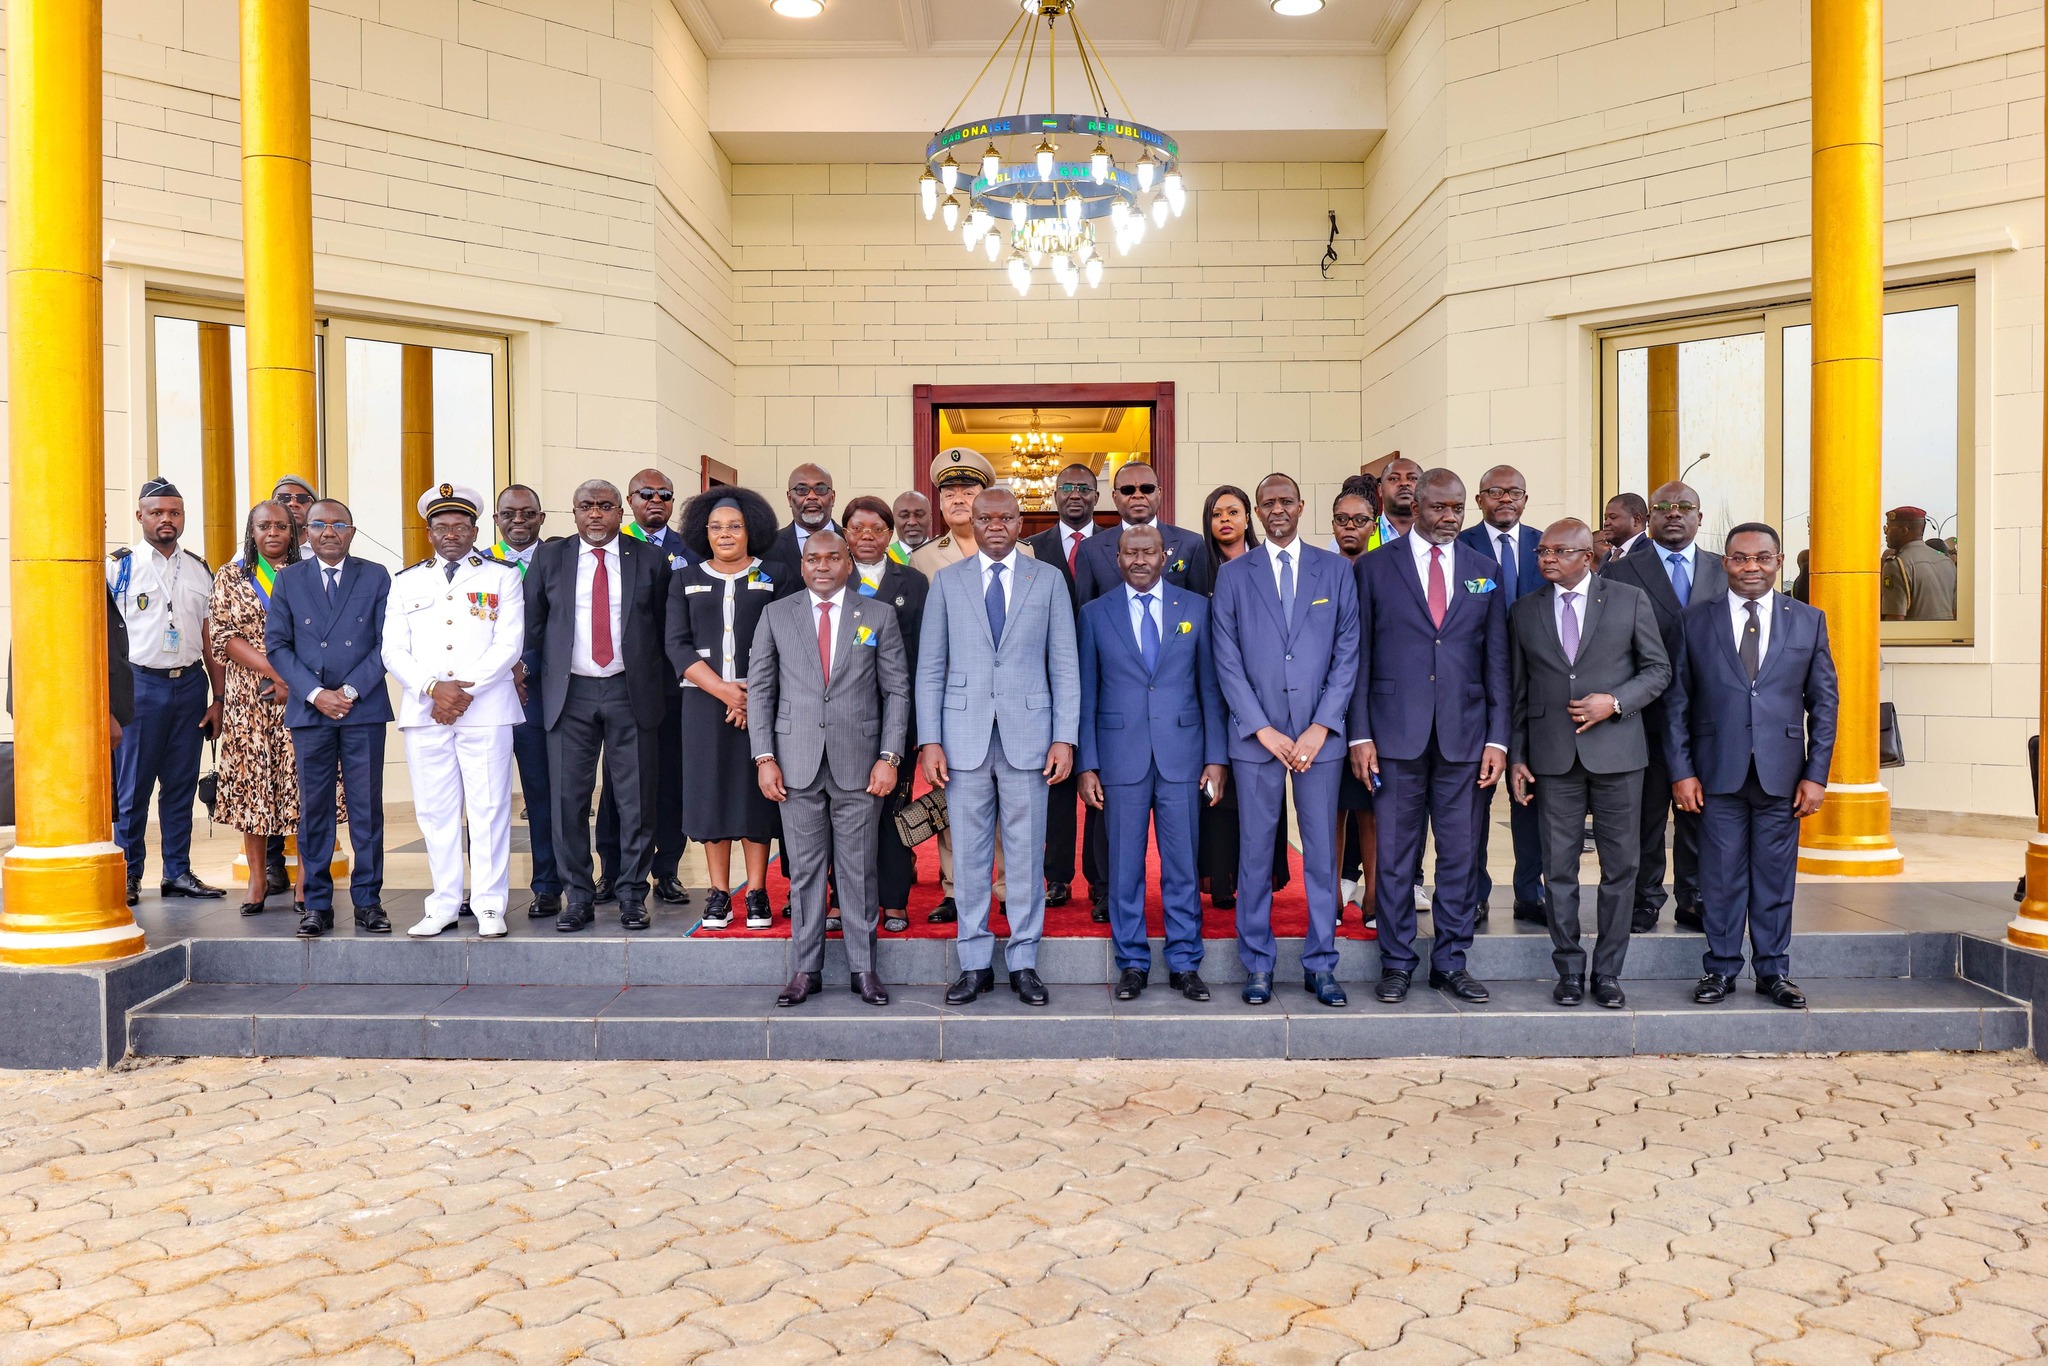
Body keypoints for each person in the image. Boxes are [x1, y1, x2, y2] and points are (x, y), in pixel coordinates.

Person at [1350, 469, 1508, 1005]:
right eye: (1440, 507)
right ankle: (1396, 962)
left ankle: (1451, 962)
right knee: (1395, 856)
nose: (1450, 517)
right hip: (1393, 740)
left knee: (1461, 857)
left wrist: (1498, 740)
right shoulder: (1373, 568)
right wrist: (1360, 735)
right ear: (1415, 505)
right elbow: (1359, 657)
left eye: (1458, 508)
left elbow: (1497, 661)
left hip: (1466, 741)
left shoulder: (1484, 572)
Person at [1664, 522, 1838, 1010]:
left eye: (1762, 558)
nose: (1751, 568)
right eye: (1740, 559)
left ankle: (1773, 971)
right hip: (1715, 773)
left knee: (1775, 877)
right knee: (1719, 876)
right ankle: (1719, 970)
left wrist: (1816, 775)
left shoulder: (1808, 620)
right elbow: (1677, 703)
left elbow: (1824, 706)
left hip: (1784, 776)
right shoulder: (1695, 620)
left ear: (1778, 563)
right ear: (1726, 563)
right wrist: (1681, 771)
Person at [917, 487, 1077, 1009]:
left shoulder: (1048, 580)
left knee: (1027, 853)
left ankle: (1024, 959)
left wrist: (1064, 736)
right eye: (984, 517)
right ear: (973, 522)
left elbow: (1065, 666)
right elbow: (931, 668)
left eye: (1005, 518)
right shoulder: (946, 582)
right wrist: (930, 740)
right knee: (968, 854)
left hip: (1029, 737)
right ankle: (974, 962)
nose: (994, 525)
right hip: (962, 740)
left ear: (1018, 522)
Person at [1507, 519, 1670, 1009]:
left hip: (1619, 755)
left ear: (1587, 556)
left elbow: (1658, 670)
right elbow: (1518, 691)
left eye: (1559, 551)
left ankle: (1608, 972)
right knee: (1558, 870)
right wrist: (1517, 756)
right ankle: (1570, 970)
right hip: (1553, 759)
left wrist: (1615, 703)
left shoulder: (1627, 600)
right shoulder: (1524, 611)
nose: (1546, 560)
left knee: (1621, 868)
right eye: (1541, 551)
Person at [1213, 473, 1359, 1009]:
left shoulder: (1337, 570)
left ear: (1300, 506)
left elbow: (1348, 654)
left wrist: (1322, 725)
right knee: (1254, 855)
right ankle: (1258, 964)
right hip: (1257, 740)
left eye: (1285, 502)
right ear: (1257, 511)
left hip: (1321, 740)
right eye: (1267, 504)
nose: (1277, 510)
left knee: (1321, 856)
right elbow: (1225, 660)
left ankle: (1321, 964)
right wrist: (1263, 729)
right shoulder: (1233, 576)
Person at [750, 529, 910, 1008]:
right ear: (802, 566)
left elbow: (896, 691)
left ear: (848, 564)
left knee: (859, 871)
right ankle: (806, 969)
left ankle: (864, 969)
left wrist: (889, 757)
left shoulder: (878, 614)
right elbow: (761, 691)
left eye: (832, 557)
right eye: (813, 559)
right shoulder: (776, 614)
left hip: (860, 765)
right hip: (793, 764)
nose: (822, 566)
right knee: (802, 872)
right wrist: (764, 758)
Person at [1077, 525, 1228, 1002]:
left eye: (1148, 552)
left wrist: (1216, 758)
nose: (1140, 560)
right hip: (1120, 757)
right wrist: (1088, 764)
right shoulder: (1094, 614)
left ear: (1165, 557)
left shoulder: (1196, 609)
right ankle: (1132, 963)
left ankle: (1185, 963)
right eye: (1130, 553)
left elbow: (1210, 689)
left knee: (1182, 865)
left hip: (1183, 756)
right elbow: (1087, 693)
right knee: (1124, 868)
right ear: (1117, 560)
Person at [525, 478, 671, 933]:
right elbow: (533, 625)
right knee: (568, 801)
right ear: (573, 512)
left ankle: (631, 893)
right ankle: (578, 897)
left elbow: (666, 629)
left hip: (632, 691)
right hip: (570, 694)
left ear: (620, 512)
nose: (595, 514)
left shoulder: (648, 558)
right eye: (586, 505)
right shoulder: (551, 557)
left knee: (636, 799)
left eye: (605, 506)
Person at [385, 485, 526, 939]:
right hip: (426, 710)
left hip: (484, 709)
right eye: (441, 527)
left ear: (475, 530)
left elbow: (508, 644)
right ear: (429, 533)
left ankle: (489, 905)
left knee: (488, 809)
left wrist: (462, 692)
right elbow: (393, 649)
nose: (451, 534)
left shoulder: (502, 577)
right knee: (435, 812)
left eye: (460, 527)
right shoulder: (406, 581)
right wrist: (433, 689)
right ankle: (443, 903)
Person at [909, 448, 1033, 922]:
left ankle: (1002, 889)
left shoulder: (1028, 556)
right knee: (951, 802)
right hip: (953, 703)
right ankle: (957, 889)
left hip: (1012, 705)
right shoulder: (923, 560)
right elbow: (925, 648)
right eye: (950, 491)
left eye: (969, 488)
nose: (959, 498)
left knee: (1009, 808)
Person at [1600, 479, 1727, 933]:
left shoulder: (1723, 569)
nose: (1674, 514)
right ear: (1648, 518)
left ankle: (1694, 896)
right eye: (1664, 507)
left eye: (1685, 506)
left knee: (1700, 812)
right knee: (1646, 815)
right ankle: (1645, 898)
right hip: (1644, 716)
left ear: (1700, 516)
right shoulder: (1618, 571)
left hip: (1709, 718)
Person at [667, 487, 796, 930]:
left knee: (756, 797)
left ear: (751, 530)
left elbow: (787, 638)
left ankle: (757, 891)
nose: (725, 533)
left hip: (764, 700)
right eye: (717, 526)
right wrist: (725, 692)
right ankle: (719, 894)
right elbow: (676, 643)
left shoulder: (777, 574)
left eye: (735, 526)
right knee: (711, 795)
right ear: (704, 532)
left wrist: (749, 695)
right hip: (703, 704)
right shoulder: (684, 577)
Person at [265, 499, 393, 939]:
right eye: (319, 524)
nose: (329, 531)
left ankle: (368, 902)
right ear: (307, 533)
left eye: (339, 524)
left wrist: (350, 692)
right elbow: (277, 646)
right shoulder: (290, 580)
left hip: (363, 709)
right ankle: (316, 903)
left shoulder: (375, 576)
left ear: (352, 532)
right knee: (314, 810)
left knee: (365, 809)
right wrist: (318, 694)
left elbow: (387, 643)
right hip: (310, 710)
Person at [107, 477, 224, 907]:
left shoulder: (199, 568)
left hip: (189, 685)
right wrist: (109, 704)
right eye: (157, 512)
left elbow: (211, 639)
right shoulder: (117, 567)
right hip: (139, 688)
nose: (166, 520)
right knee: (131, 788)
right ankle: (128, 875)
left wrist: (218, 698)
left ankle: (177, 872)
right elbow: (102, 639)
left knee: (179, 787)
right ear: (140, 515)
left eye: (174, 512)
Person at [208, 501, 329, 916]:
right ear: (252, 531)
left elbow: (321, 634)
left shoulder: (307, 575)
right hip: (249, 698)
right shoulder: (231, 575)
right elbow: (222, 635)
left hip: (302, 694)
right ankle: (258, 879)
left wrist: (289, 678)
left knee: (303, 788)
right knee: (253, 790)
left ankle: (306, 881)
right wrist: (275, 672)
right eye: (264, 526)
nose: (273, 533)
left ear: (293, 533)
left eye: (281, 526)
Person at [594, 468, 692, 908]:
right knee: (619, 784)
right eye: (646, 494)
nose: (656, 500)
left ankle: (667, 870)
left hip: (671, 690)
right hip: (623, 688)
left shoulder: (687, 553)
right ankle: (611, 871)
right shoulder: (609, 548)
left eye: (665, 495)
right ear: (629, 502)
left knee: (669, 782)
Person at [1457, 464, 1546, 924]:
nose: (1505, 499)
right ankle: (1474, 891)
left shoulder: (1546, 545)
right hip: (1476, 689)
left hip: (1536, 693)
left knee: (1530, 797)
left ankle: (1531, 892)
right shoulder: (1460, 547)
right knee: (1476, 799)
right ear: (1479, 500)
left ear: (1526, 500)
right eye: (1495, 492)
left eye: (1514, 492)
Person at [1196, 484, 1289, 912]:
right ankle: (1222, 881)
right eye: (1217, 514)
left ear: (1248, 516)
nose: (1225, 520)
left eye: (1233, 511)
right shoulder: (1198, 567)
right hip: (1213, 696)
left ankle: (1258, 878)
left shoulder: (1268, 565)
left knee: (1261, 796)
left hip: (1267, 705)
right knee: (1219, 794)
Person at [844, 496, 929, 933]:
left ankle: (895, 899)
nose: (867, 537)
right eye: (857, 529)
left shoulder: (913, 582)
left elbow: (929, 653)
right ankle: (842, 899)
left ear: (890, 535)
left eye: (877, 529)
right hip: (842, 718)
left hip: (899, 715)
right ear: (845, 534)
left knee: (896, 809)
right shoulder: (830, 578)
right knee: (842, 809)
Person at [1027, 461, 1102, 916]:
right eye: (1066, 487)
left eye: (1084, 488)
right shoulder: (1031, 549)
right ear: (1054, 494)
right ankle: (1056, 877)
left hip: (1102, 677)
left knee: (1097, 780)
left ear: (1097, 496)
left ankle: (1100, 878)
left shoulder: (1116, 545)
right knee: (1053, 782)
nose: (1075, 494)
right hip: (1043, 678)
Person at [490, 485, 563, 918]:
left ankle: (548, 884)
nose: (518, 521)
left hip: (540, 698)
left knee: (542, 795)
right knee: (484, 798)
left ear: (541, 517)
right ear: (496, 519)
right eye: (509, 514)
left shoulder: (559, 561)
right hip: (486, 699)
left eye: (528, 514)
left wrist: (525, 670)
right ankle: (482, 888)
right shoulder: (479, 565)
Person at [1329, 485, 1382, 931]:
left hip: (1374, 707)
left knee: (1372, 808)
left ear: (1374, 524)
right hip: (1327, 705)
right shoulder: (1322, 569)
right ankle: (1329, 896)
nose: (1351, 527)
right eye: (1343, 520)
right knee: (1331, 809)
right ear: (1332, 524)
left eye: (1359, 520)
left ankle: (1374, 899)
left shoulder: (1382, 568)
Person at [1072, 459, 1212, 605]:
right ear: (1115, 497)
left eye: (1147, 489)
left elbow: (1199, 608)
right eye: (1128, 490)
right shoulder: (1090, 549)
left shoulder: (1191, 544)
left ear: (1159, 493)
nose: (1138, 495)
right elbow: (1085, 613)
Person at [1880, 505, 1958, 621]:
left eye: (1888, 528)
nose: (1886, 533)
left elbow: (1895, 620)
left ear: (1903, 531)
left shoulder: (1896, 565)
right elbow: (1954, 612)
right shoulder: (1946, 562)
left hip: (1912, 638)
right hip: (1944, 637)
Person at [771, 463, 838, 567]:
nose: (812, 496)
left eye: (820, 489)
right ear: (789, 498)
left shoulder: (852, 543)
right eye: (802, 490)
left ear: (832, 498)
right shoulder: (769, 546)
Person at [1376, 458, 1423, 541]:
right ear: (1380, 489)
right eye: (1394, 479)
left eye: (1413, 478)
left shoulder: (1438, 534)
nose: (1404, 483)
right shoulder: (1363, 533)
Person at [1602, 493, 1650, 561]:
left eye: (1613, 517)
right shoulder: (1609, 555)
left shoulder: (1650, 552)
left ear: (1636, 520)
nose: (1606, 523)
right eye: (1606, 518)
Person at [892, 490, 933, 556]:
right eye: (904, 516)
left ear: (930, 518)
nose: (912, 522)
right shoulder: (883, 559)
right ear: (893, 520)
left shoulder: (946, 557)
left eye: (919, 515)